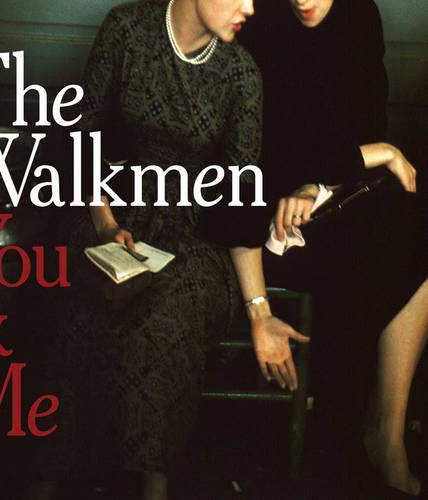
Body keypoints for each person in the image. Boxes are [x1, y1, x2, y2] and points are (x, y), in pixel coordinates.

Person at [28, 1, 310, 499]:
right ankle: (45, 481)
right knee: (78, 305)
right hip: (110, 211)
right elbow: (83, 134)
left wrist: (260, 311)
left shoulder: (241, 72)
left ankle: (150, 488)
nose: (250, 8)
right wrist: (104, 225)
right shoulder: (127, 28)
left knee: (159, 320)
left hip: (196, 235)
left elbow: (240, 206)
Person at [202, 0, 427, 496]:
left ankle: (387, 434)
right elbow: (250, 152)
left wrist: (317, 184)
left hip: (328, 198)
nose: (304, 0)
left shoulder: (360, 16)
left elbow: (364, 127)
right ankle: (335, 437)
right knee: (371, 249)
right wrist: (373, 155)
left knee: (412, 222)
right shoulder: (256, 18)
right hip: (258, 214)